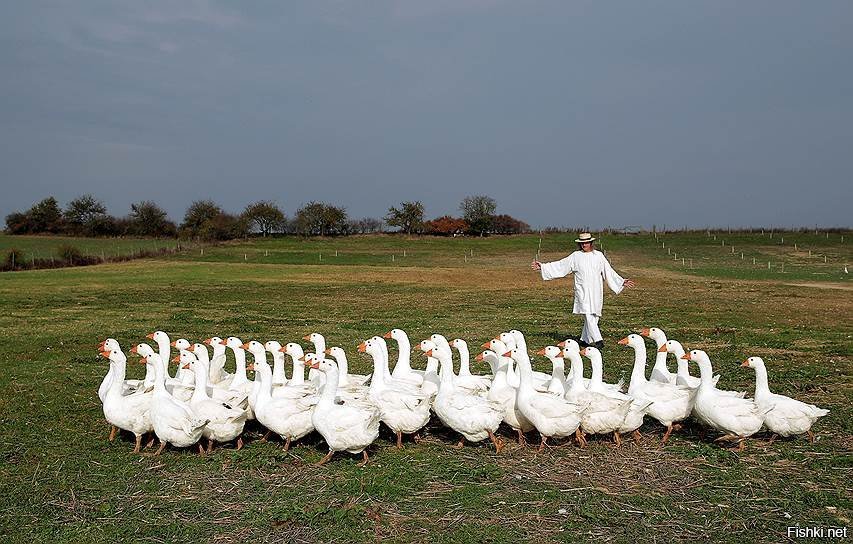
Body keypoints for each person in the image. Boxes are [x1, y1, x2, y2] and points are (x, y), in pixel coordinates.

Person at [531, 232, 635, 349]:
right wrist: (543, 267)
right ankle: (598, 340)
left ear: (591, 243)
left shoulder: (599, 256)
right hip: (582, 290)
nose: (584, 245)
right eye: (582, 243)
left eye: (586, 242)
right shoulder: (575, 256)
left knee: (594, 315)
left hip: (596, 290)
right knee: (588, 313)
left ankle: (584, 340)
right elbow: (561, 265)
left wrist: (621, 281)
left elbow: (608, 271)